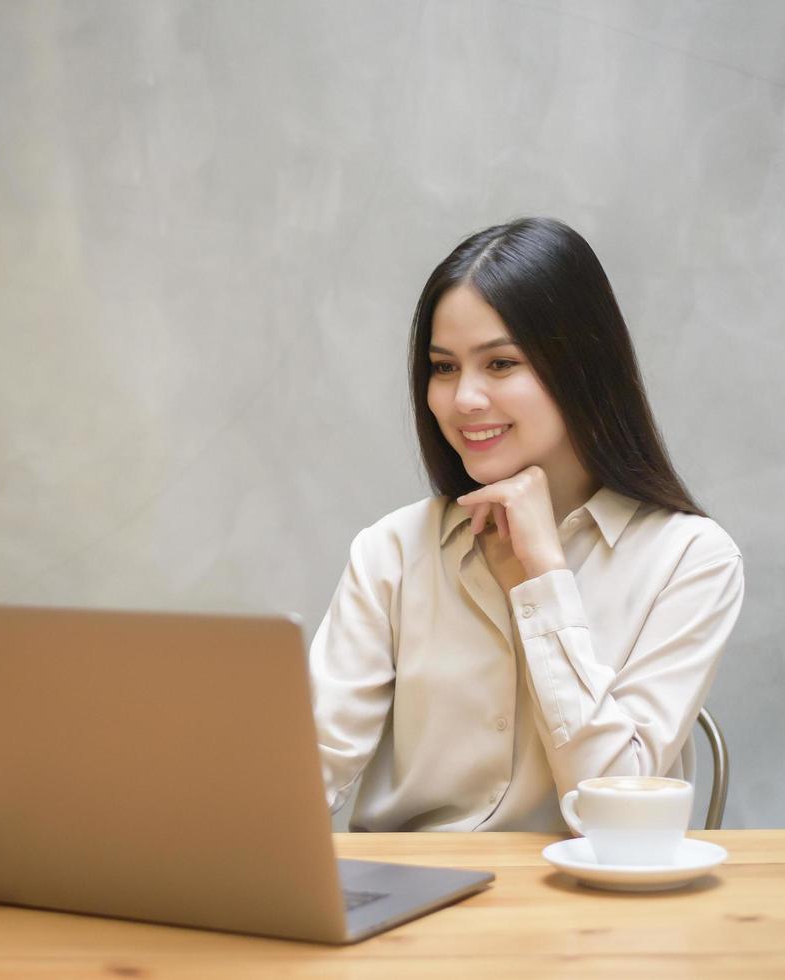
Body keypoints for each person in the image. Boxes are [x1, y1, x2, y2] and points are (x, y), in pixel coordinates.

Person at [308, 216, 745, 832]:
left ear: (583, 365)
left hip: (590, 912)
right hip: (411, 907)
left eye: (501, 364)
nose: (464, 400)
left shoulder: (692, 560)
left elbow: (617, 815)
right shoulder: (391, 552)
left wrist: (542, 580)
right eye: (443, 367)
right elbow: (304, 774)